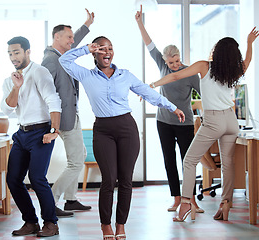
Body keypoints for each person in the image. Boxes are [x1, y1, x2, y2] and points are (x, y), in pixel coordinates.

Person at [59, 36, 185, 239]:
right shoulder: (86, 75)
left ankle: (120, 225)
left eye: (110, 48)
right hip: (103, 130)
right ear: (95, 53)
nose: (107, 52)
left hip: (127, 128)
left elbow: (148, 92)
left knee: (125, 180)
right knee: (108, 180)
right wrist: (85, 49)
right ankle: (105, 225)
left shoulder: (125, 75)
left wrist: (172, 107)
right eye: (101, 48)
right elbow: (64, 61)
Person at [150, 27, 259, 222]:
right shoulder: (234, 71)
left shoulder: (205, 66)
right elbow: (248, 60)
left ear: (216, 52)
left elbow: (176, 76)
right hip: (231, 121)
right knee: (227, 164)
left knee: (189, 161)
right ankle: (226, 203)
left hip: (214, 121)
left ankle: (185, 203)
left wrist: (153, 85)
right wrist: (249, 42)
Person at [135, 5, 203, 212]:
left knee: (187, 161)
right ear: (164, 61)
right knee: (169, 160)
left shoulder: (190, 73)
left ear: (180, 57)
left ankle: (191, 199)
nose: (174, 65)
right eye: (171, 62)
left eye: (177, 61)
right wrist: (139, 22)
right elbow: (149, 44)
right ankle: (176, 198)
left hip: (185, 123)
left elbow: (203, 95)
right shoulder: (162, 66)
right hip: (164, 121)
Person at [1, 36, 62, 237]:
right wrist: (16, 87)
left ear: (27, 52)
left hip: (41, 131)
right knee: (13, 179)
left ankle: (51, 223)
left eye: (16, 52)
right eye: (10, 53)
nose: (13, 57)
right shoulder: (10, 80)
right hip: (22, 133)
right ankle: (30, 221)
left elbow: (53, 100)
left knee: (37, 178)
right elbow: (7, 108)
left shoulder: (39, 72)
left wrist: (54, 131)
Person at [41, 8, 94, 217]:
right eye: (68, 37)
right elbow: (45, 92)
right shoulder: (50, 60)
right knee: (76, 161)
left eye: (73, 37)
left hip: (72, 114)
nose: (72, 41)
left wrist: (87, 25)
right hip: (63, 118)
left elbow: (76, 42)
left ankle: (71, 200)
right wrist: (54, 122)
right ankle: (51, 201)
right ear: (57, 37)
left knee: (80, 154)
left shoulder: (62, 55)